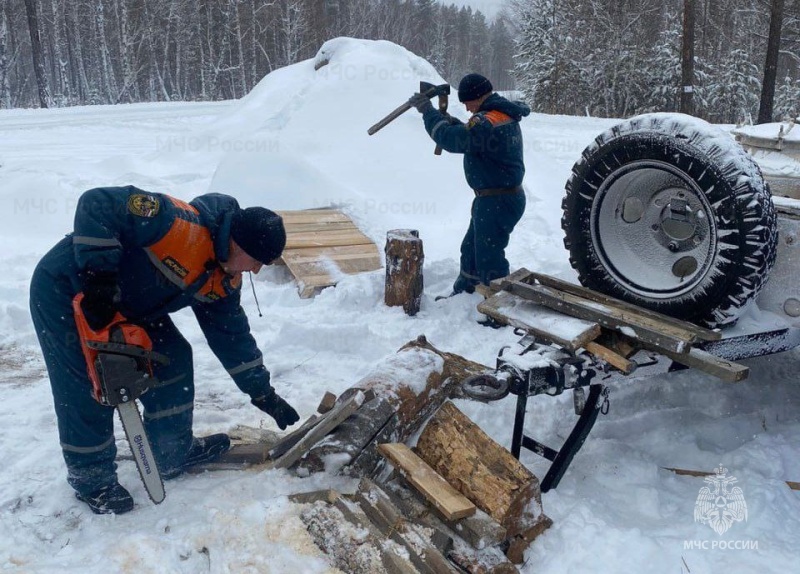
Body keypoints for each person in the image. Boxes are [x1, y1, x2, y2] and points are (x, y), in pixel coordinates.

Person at [29, 186, 300, 514]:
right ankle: (92, 480)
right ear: (238, 243)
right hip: (69, 289)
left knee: (173, 362)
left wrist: (263, 393)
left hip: (133, 306)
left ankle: (172, 454)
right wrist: (99, 277)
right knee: (88, 385)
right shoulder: (175, 223)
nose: (255, 271)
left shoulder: (223, 279)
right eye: (256, 261)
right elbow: (96, 203)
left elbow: (232, 337)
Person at [409, 73, 529, 297]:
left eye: (467, 103)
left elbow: (452, 139)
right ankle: (466, 291)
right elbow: (467, 132)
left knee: (489, 256)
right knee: (471, 249)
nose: (466, 109)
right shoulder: (496, 116)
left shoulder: (487, 123)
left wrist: (428, 112)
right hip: (493, 198)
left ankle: (499, 306)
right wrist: (447, 120)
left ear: (477, 97)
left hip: (498, 200)